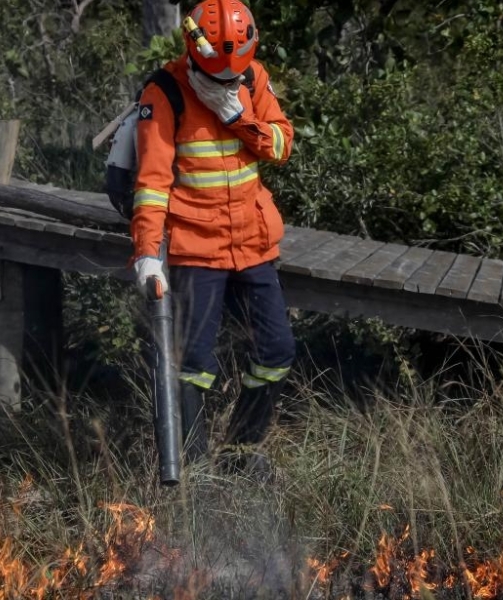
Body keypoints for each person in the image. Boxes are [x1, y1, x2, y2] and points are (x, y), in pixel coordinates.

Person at [129, 0, 296, 469]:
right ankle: (194, 470)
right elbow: (152, 182)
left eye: (234, 75)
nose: (227, 82)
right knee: (194, 366)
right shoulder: (165, 91)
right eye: (218, 76)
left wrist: (237, 116)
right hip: (195, 249)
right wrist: (146, 255)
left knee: (277, 352)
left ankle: (240, 452)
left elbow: (282, 145)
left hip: (253, 243)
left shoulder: (253, 78)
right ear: (193, 51)